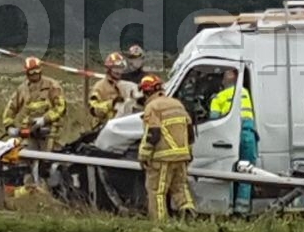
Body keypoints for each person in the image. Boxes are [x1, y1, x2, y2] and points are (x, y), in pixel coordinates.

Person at [137, 74, 196, 220]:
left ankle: (161, 225)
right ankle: (190, 217)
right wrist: (188, 153)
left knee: (157, 192)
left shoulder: (152, 107)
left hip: (162, 158)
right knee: (180, 189)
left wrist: (143, 156)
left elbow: (153, 134)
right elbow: (190, 133)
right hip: (182, 156)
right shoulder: (177, 104)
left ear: (146, 92)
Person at [210, 68, 256, 215]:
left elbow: (213, 120)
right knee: (246, 174)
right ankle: (242, 211)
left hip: (229, 135)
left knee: (229, 173)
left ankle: (228, 207)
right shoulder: (244, 92)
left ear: (224, 81)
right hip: (248, 135)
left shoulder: (219, 98)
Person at [1, 56, 67, 151]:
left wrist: (45, 119)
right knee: (26, 158)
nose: (34, 74)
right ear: (27, 72)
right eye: (31, 72)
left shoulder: (52, 86)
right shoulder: (22, 89)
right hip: (29, 131)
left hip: (49, 131)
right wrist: (9, 126)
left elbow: (61, 107)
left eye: (36, 71)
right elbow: (11, 108)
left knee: (47, 159)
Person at [88, 52, 129, 126]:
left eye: (121, 68)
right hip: (103, 127)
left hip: (123, 127)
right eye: (116, 68)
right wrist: (112, 104)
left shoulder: (125, 86)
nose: (119, 71)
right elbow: (93, 109)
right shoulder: (100, 86)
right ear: (109, 69)